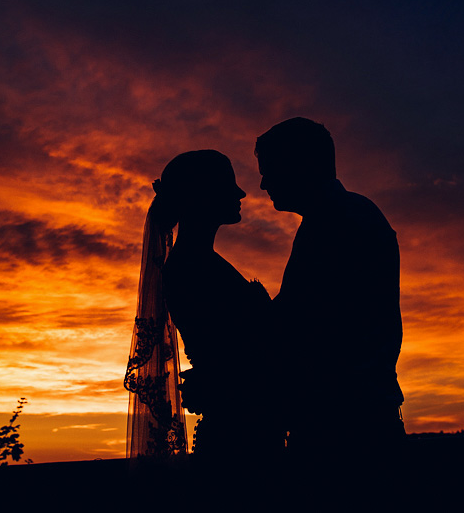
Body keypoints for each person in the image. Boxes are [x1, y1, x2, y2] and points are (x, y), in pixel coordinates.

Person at [255, 118, 405, 459]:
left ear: (300, 165)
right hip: (352, 414)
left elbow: (311, 322)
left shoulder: (338, 222)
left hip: (347, 426)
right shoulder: (340, 216)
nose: (263, 184)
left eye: (270, 170)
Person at [124, 150, 284, 461]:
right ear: (202, 195)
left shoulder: (199, 262)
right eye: (228, 185)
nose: (240, 193)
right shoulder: (192, 267)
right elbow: (239, 354)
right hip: (240, 438)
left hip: (246, 427)